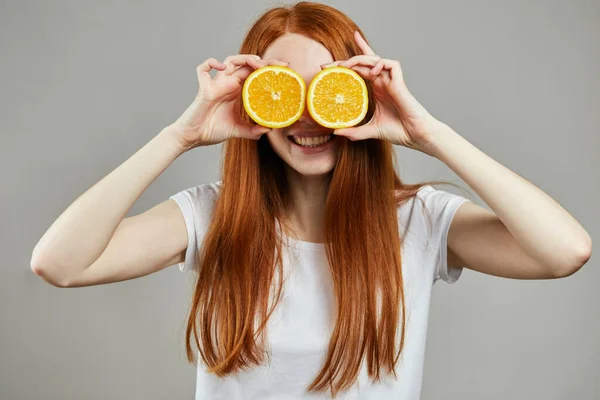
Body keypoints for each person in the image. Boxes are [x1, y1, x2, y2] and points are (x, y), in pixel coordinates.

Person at [30, 2, 592, 399]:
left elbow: (565, 251)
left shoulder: (419, 222)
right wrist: (179, 136)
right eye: (282, 89)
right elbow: (58, 263)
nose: (305, 114)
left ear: (362, 95)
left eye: (327, 88)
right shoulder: (211, 215)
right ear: (255, 101)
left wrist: (428, 133)